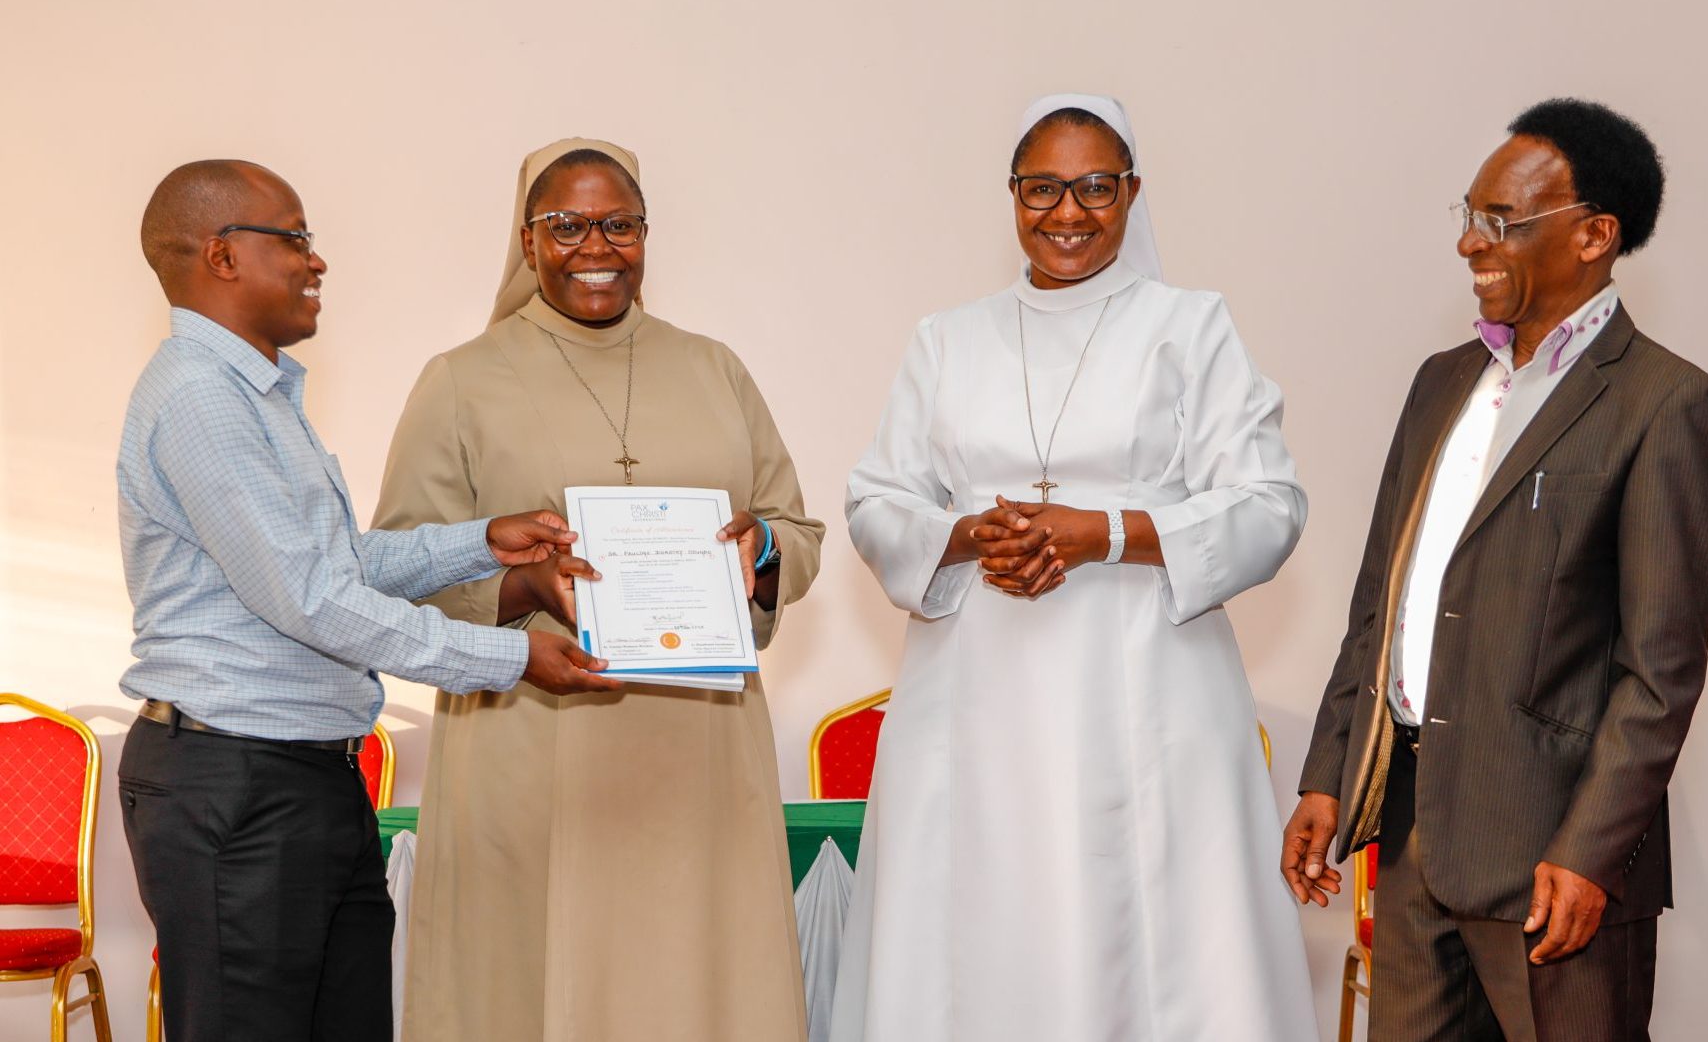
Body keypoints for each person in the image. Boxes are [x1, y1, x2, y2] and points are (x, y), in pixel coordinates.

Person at [834, 94, 1320, 1041]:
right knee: (978, 922)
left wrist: (1105, 532)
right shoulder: (947, 339)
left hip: (1146, 677)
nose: (1068, 212)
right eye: (1043, 189)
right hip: (977, 687)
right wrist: (973, 536)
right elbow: (877, 500)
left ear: (1132, 191)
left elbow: (1269, 504)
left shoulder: (1191, 327)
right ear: (1012, 194)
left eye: (1096, 187)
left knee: (1144, 920)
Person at [117, 159, 617, 1042]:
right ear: (222, 255)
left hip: (305, 777)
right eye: (296, 238)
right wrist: (512, 657)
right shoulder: (201, 399)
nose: (316, 261)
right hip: (240, 786)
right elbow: (312, 600)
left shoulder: (255, 394)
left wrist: (481, 540)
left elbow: (339, 563)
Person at [1282, 99, 1708, 1040]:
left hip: (1553, 867)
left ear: (1594, 236)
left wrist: (1589, 852)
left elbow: (1660, 673)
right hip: (1410, 840)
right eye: (1469, 214)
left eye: (1501, 221)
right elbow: (1381, 605)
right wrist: (1329, 774)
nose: (1469, 243)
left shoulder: (1667, 404)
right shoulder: (1440, 381)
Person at [372, 137, 824, 1042]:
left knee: (693, 986)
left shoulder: (715, 368)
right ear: (528, 240)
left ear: (646, 234)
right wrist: (526, 585)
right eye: (568, 226)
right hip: (533, 742)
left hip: (699, 747)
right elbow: (397, 566)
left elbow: (795, 528)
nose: (597, 248)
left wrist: (764, 549)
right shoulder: (462, 379)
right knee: (536, 988)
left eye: (620, 225)